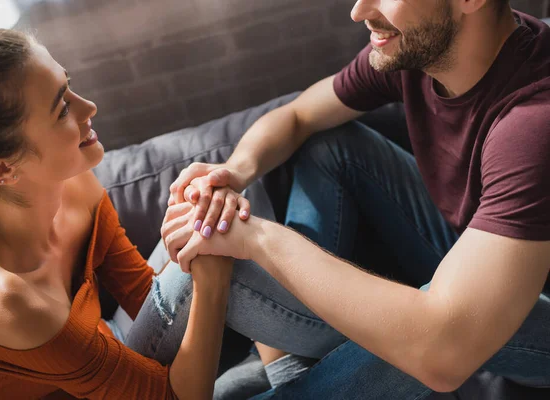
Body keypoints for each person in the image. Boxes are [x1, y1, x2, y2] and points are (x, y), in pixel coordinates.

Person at [166, 0, 550, 398]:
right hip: (470, 241)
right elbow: (298, 116)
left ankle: (288, 370)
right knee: (333, 144)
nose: (358, 10)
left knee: (459, 320)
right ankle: (291, 354)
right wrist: (234, 171)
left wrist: (260, 241)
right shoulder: (422, 49)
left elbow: (445, 350)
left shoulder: (533, 122)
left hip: (535, 310)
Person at [0, 25, 346, 399]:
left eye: (68, 86)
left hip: (113, 346)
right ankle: (366, 333)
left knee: (220, 194)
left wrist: (207, 240)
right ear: (2, 169)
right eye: (61, 110)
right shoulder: (6, 299)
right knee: (214, 239)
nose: (89, 107)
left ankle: (292, 369)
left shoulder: (75, 181)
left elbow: (142, 293)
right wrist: (212, 274)